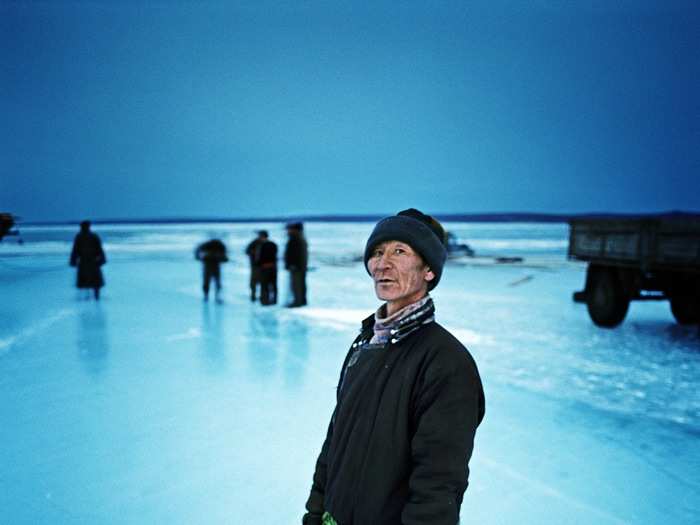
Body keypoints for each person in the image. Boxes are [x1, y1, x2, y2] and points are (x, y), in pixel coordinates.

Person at [302, 208, 485, 525]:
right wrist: (315, 513)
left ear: (429, 270)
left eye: (399, 251)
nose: (381, 264)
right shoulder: (366, 343)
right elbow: (335, 444)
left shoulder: (445, 361)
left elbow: (438, 486)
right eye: (377, 252)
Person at [69, 220, 106, 300]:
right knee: (91, 281)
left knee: (94, 281)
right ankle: (91, 297)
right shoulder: (81, 237)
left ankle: (95, 297)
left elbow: (99, 249)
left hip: (91, 261)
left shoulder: (90, 236)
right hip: (87, 261)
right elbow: (75, 250)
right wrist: (73, 260)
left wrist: (102, 259)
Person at [195, 238, 228, 303]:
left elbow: (224, 256)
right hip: (210, 265)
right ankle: (209, 296)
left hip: (212, 265)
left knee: (212, 281)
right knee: (212, 281)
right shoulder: (217, 246)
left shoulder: (218, 246)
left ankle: (209, 296)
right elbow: (224, 257)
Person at [284, 222, 308, 307]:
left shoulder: (296, 239)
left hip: (296, 267)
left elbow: (296, 254)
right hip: (299, 266)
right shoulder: (299, 238)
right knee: (300, 284)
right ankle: (301, 301)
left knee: (296, 285)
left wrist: (293, 265)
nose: (288, 231)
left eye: (290, 229)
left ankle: (297, 302)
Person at [257, 231, 278, 305]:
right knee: (272, 285)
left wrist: (259, 264)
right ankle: (273, 300)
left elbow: (263, 257)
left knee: (265, 285)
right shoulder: (273, 244)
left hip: (266, 267)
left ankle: (265, 300)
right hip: (272, 267)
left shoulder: (264, 245)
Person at [245, 231, 265, 302]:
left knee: (262, 281)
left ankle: (262, 296)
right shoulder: (254, 243)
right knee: (253, 281)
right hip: (255, 266)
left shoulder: (265, 243)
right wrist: (253, 253)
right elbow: (247, 251)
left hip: (262, 266)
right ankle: (253, 295)